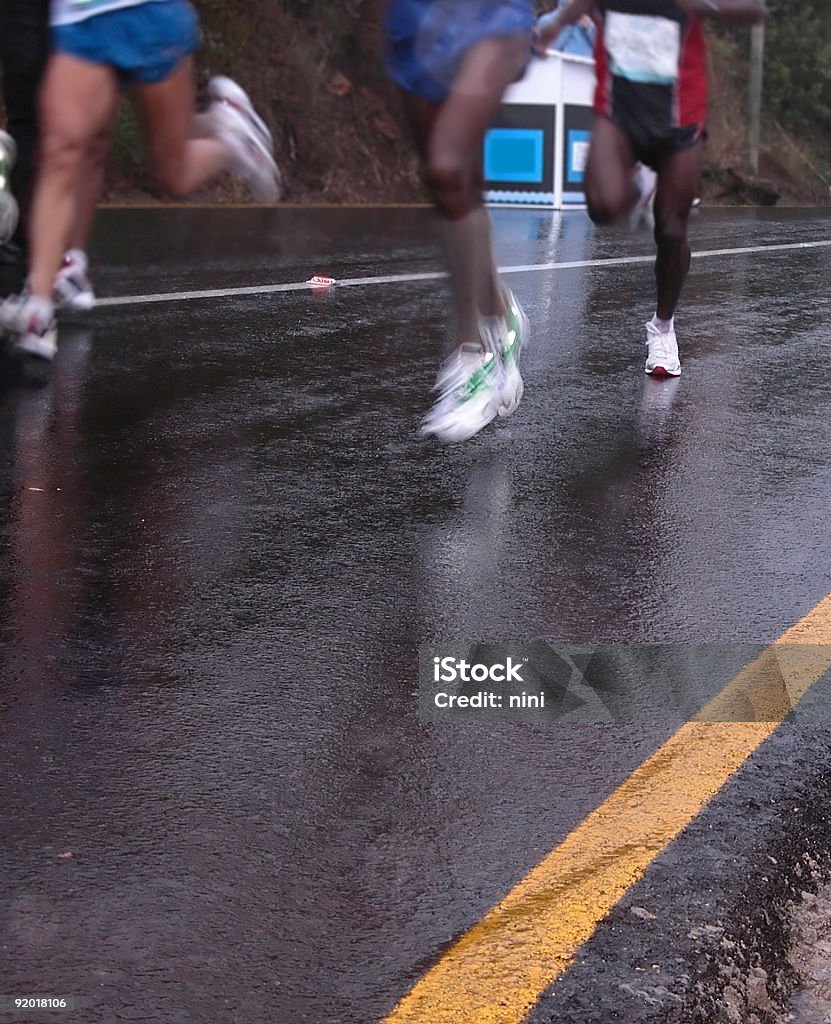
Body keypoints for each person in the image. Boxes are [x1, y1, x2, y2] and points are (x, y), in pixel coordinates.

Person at [1, 0, 281, 362]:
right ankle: (37, 309)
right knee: (62, 148)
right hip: (80, 16)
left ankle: (232, 141)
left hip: (149, 10)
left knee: (173, 175)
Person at [536, 0, 765, 377]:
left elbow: (752, 10)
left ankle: (662, 327)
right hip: (619, 109)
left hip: (678, 114)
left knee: (671, 229)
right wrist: (557, 22)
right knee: (603, 205)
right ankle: (642, 181)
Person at [386, 0, 533, 442]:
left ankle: (476, 357)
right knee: (453, 187)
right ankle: (499, 313)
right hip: (413, 20)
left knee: (446, 168)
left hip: (491, 17)